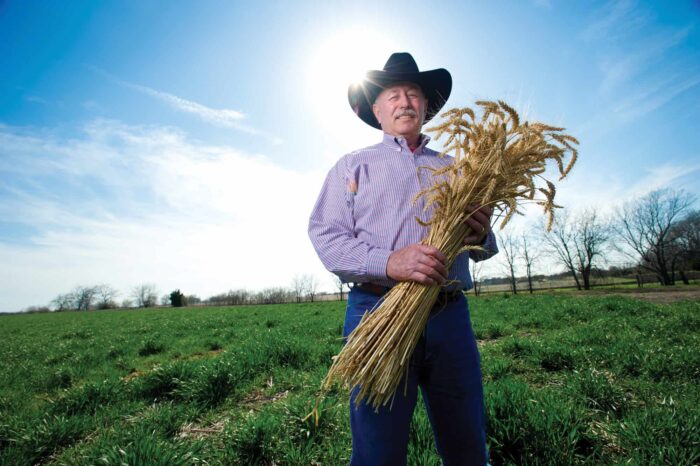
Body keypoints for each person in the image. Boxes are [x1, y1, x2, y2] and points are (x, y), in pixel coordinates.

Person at [308, 52, 497, 466]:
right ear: (377, 110)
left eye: (413, 94)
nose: (405, 102)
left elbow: (483, 249)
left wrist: (482, 233)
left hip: (449, 315)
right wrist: (390, 262)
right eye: (393, 95)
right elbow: (326, 236)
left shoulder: (457, 170)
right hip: (376, 310)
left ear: (426, 106)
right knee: (377, 450)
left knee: (467, 444)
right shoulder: (352, 166)